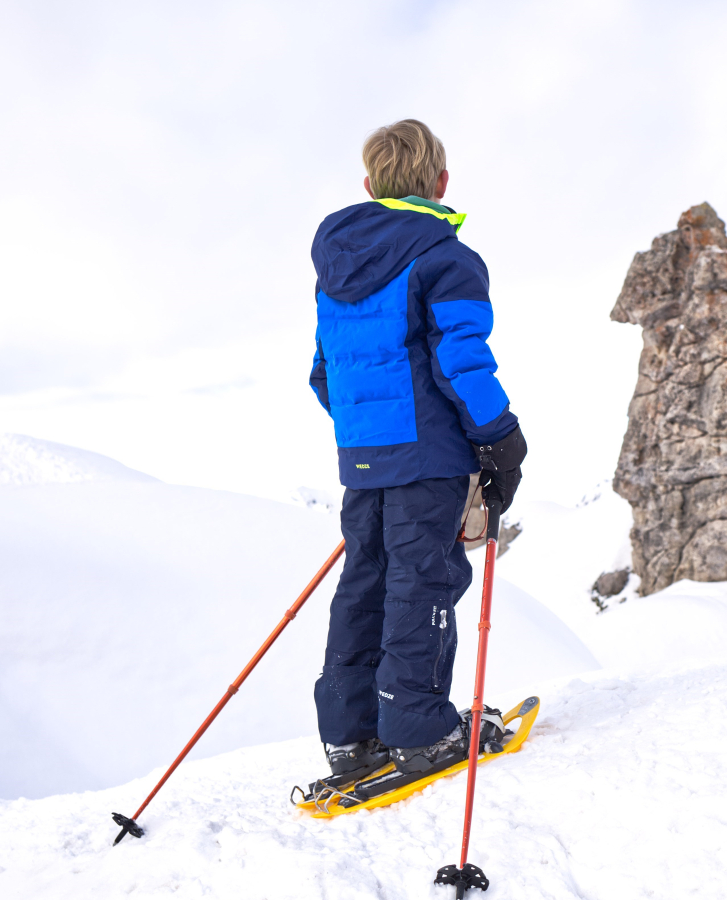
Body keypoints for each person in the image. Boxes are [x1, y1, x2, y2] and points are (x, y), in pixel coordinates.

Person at [306, 119, 525, 788]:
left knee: (365, 584)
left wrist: (370, 432)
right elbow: (462, 360)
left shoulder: (336, 270)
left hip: (364, 454)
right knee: (420, 583)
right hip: (428, 456)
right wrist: (498, 437)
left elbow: (325, 373)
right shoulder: (445, 257)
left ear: (370, 185)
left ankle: (353, 737)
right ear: (441, 183)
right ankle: (422, 731)